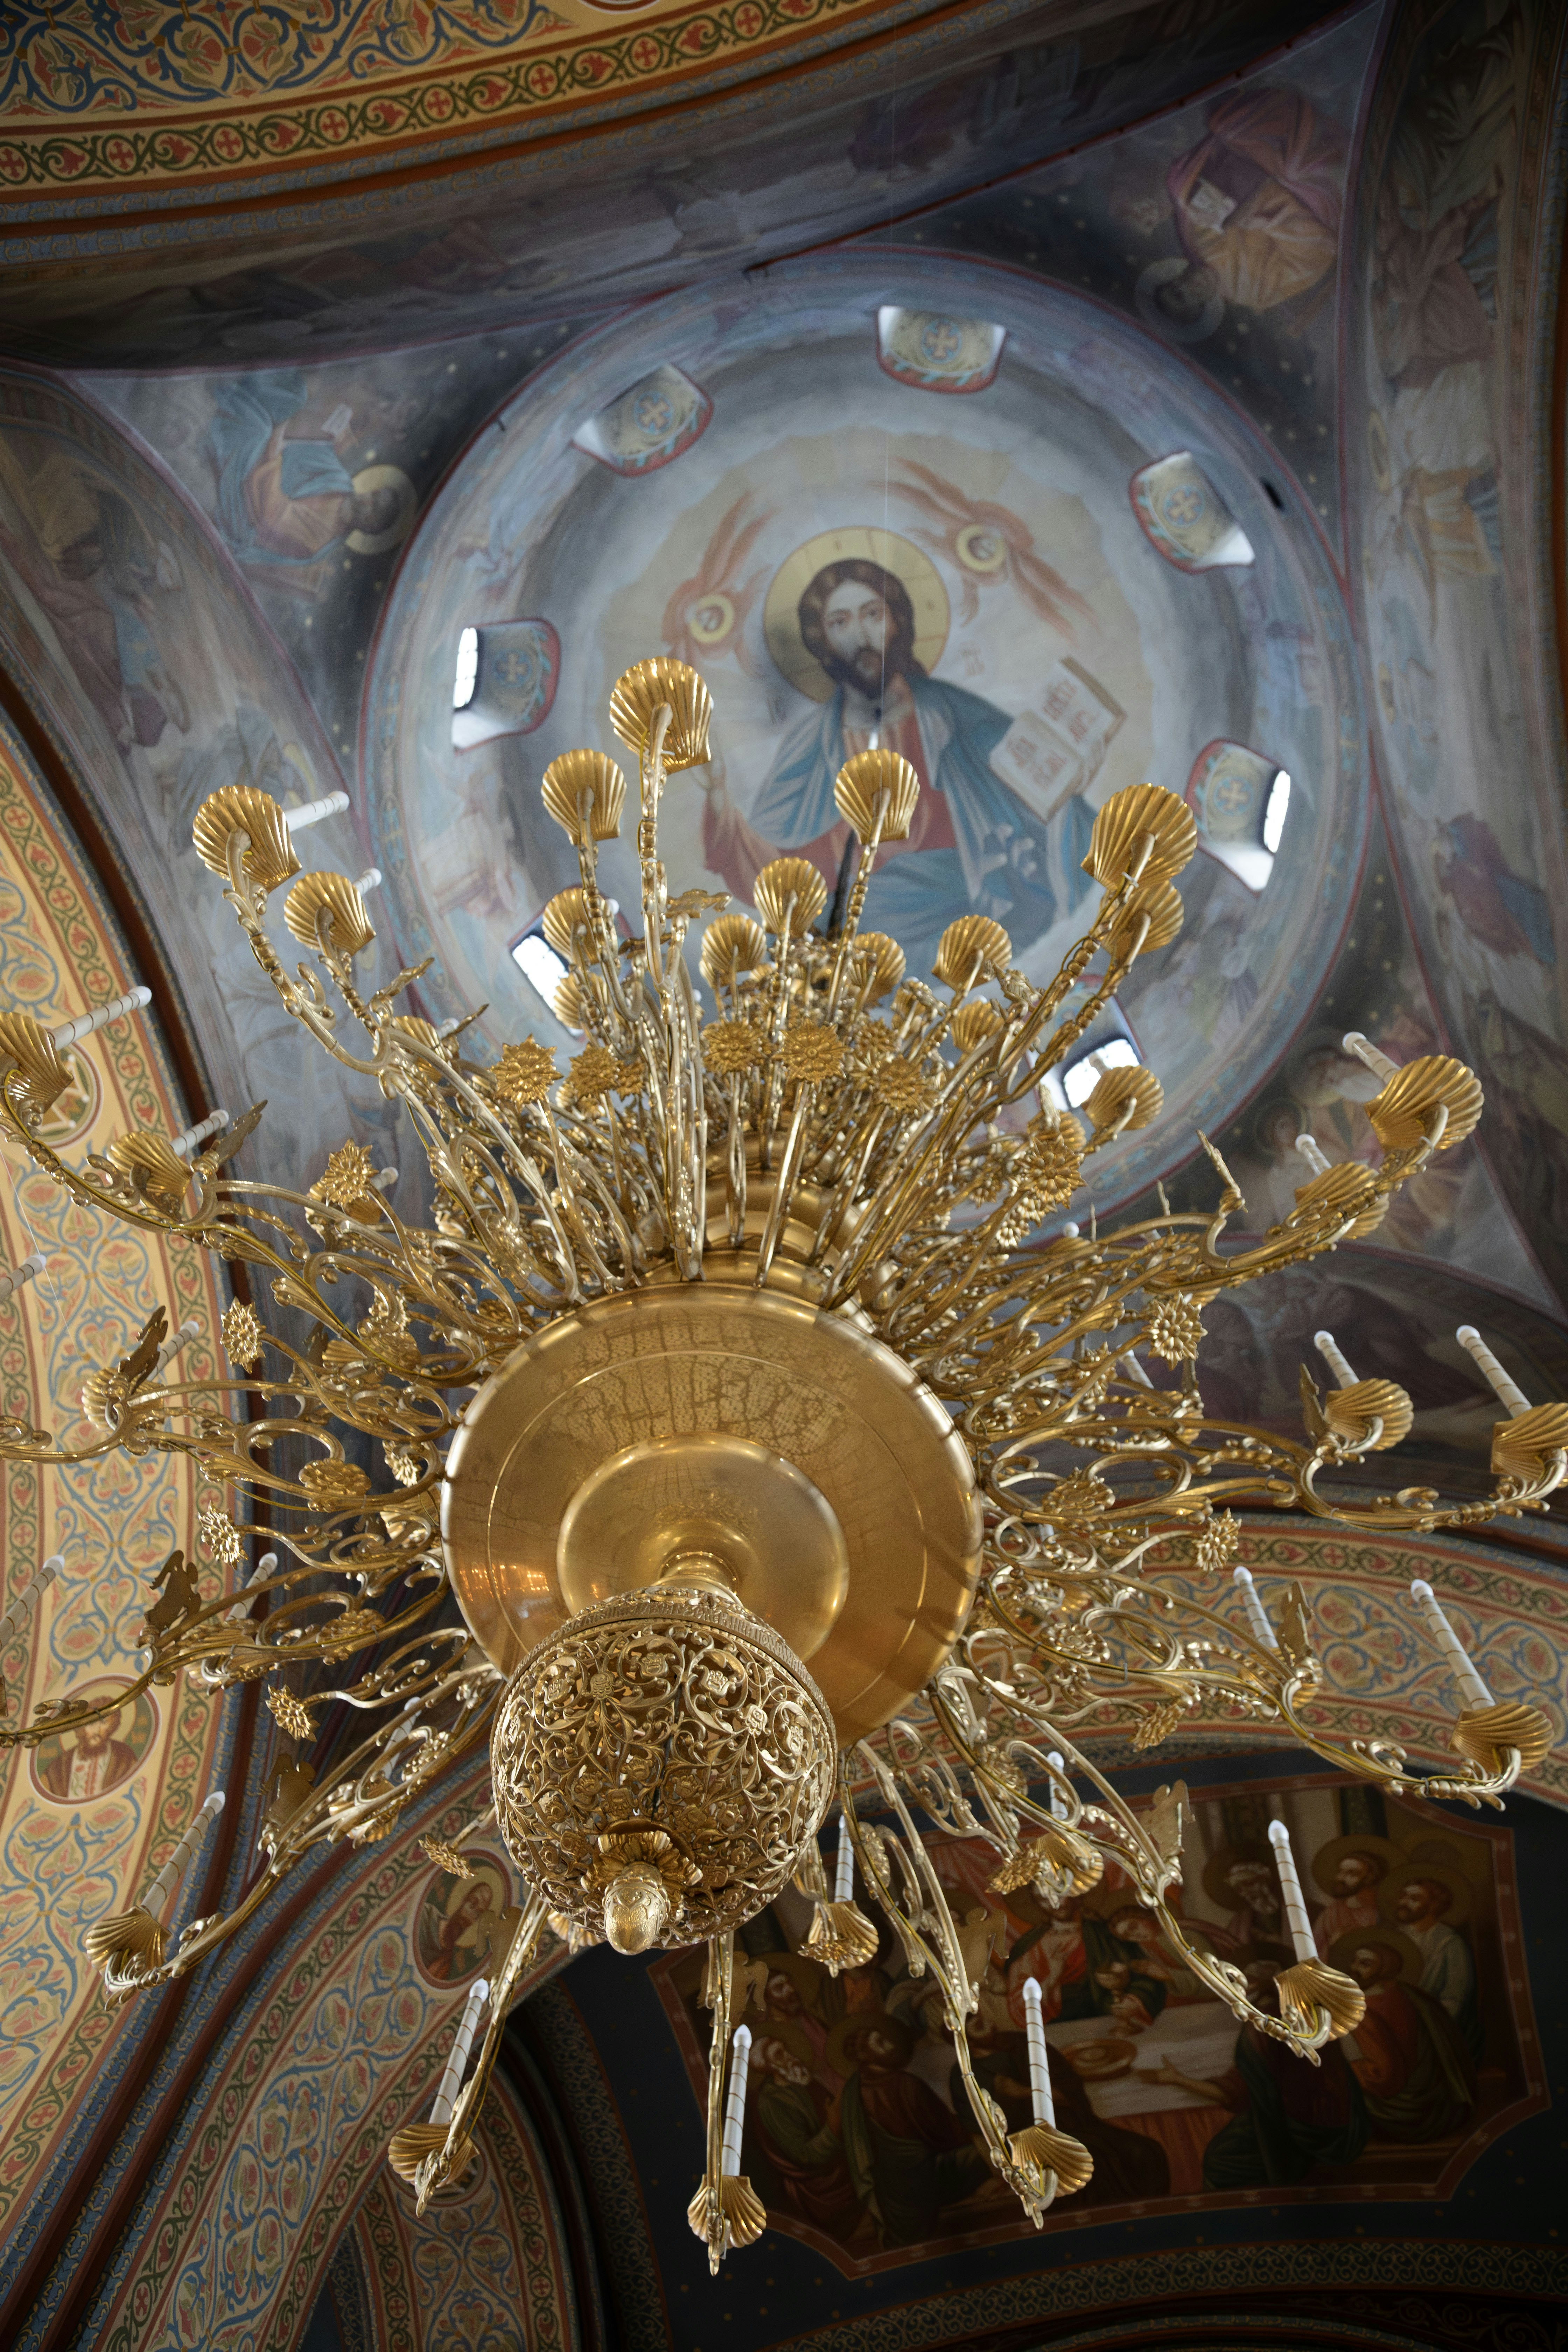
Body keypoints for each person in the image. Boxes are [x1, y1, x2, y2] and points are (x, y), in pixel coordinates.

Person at [701, 557, 1093, 966]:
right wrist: (717, 796)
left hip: (971, 920)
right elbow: (776, 871)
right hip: (863, 940)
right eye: (840, 623)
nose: (861, 636)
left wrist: (1064, 784)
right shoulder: (813, 746)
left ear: (897, 623)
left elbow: (1039, 802)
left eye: (873, 615)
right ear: (823, 642)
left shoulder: (957, 716)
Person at [1144, 1965, 1368, 2188]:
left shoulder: (1268, 2027)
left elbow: (1236, 2093)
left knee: (1220, 2160)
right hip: (1337, 2119)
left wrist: (1178, 2080)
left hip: (1304, 2129)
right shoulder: (1303, 2014)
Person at [1159, 88, 1346, 324]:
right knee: (1295, 167)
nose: (1184, 285)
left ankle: (1298, 90)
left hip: (1250, 168)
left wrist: (1196, 201)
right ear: (1202, 307)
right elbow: (1316, 254)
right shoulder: (1254, 294)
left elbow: (1187, 190)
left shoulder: (1194, 245)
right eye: (1182, 296)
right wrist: (1264, 221)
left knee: (1229, 125)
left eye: (1173, 286)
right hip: (1300, 201)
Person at [208, 371, 405, 569]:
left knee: (260, 430)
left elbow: (271, 517)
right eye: (374, 494)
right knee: (295, 396)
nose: (367, 499)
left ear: (370, 526)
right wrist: (331, 432)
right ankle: (233, 377)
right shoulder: (343, 485)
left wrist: (274, 453)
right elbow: (317, 452)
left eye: (374, 507)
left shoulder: (319, 538)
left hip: (247, 505)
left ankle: (220, 403)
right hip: (271, 466)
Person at [835, 2014, 989, 2247]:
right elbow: (948, 2135)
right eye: (881, 2043)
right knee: (985, 2154)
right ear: (865, 2057)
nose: (891, 2046)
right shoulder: (905, 2085)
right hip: (925, 2181)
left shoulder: (852, 2093)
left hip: (888, 2195)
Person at [1334, 1933, 1475, 2142]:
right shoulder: (1407, 1994)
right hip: (1435, 2104)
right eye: (1355, 1961)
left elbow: (1382, 2079)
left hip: (1395, 2110)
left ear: (1384, 1970)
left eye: (1365, 1964)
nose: (1354, 1968)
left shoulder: (1363, 2011)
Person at [747, 2035, 864, 2240]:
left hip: (840, 2160)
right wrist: (833, 2127)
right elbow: (805, 2154)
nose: (790, 2056)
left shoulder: (801, 2079)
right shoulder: (772, 2102)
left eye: (786, 2049)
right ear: (770, 2067)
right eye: (780, 2055)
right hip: (818, 2183)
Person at [1390, 1874, 1478, 2056]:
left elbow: (1454, 1999)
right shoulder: (1394, 1939)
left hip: (1432, 2031)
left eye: (1415, 1899)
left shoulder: (1449, 1943)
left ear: (1434, 1906)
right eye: (1404, 1896)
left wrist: (1424, 2029)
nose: (1405, 1902)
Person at [39, 1707, 138, 1801]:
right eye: (92, 1724)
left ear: (112, 1728)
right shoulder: (59, 1765)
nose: (97, 1732)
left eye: (104, 1723)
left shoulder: (125, 1757)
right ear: (82, 1728)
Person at [1311, 1846, 1391, 1959]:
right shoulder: (1330, 1914)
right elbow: (1314, 1954)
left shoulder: (1384, 1911)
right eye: (1340, 1872)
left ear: (1370, 1878)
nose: (1341, 1878)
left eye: (1352, 1874)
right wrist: (1333, 1945)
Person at [421, 1877, 495, 1982]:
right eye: (473, 1904)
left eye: (478, 1914)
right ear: (464, 1900)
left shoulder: (447, 1963)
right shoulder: (426, 1917)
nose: (471, 1916)